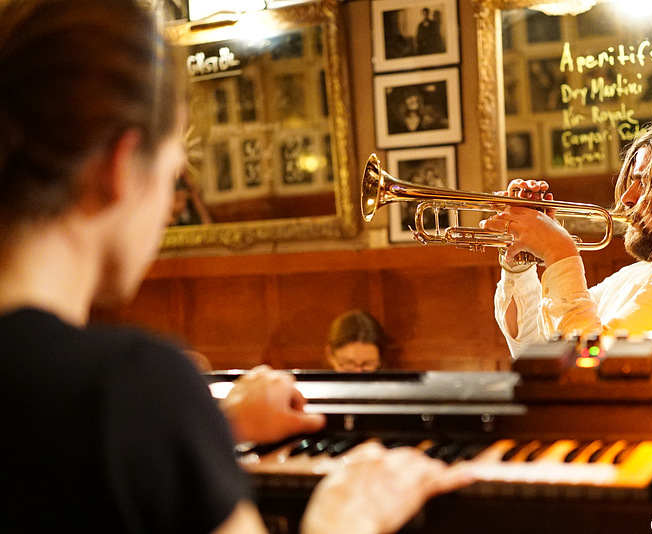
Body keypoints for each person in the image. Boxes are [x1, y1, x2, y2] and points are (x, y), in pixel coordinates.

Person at [0, 1, 471, 532]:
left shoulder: (122, 404)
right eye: (173, 172)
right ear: (121, 166)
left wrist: (216, 425)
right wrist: (347, 518)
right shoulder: (132, 384)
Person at [481, 116, 652, 371]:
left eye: (645, 181)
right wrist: (521, 256)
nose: (626, 197)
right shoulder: (642, 272)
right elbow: (536, 350)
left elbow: (593, 367)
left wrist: (558, 252)